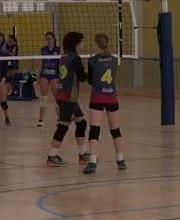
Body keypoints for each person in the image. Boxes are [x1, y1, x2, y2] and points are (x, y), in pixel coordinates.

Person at [83, 33, 125, 174]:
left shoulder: (92, 61)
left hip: (97, 97)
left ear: (96, 44)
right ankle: (120, 160)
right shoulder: (114, 60)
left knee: (95, 130)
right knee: (115, 130)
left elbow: (89, 81)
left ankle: (93, 162)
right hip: (111, 97)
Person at [47, 31, 89, 168]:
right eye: (82, 41)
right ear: (77, 43)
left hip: (65, 95)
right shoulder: (75, 58)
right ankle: (52, 156)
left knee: (81, 123)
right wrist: (87, 66)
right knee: (63, 126)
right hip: (67, 97)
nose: (84, 43)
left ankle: (83, 155)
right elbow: (83, 78)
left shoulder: (64, 56)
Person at [36, 32, 60, 127]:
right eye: (47, 39)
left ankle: (59, 118)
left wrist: (62, 76)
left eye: (50, 38)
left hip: (55, 75)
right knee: (43, 97)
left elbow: (61, 63)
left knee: (57, 96)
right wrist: (38, 75)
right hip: (45, 75)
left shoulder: (58, 50)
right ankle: (41, 119)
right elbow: (40, 63)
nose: (49, 40)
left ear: (54, 39)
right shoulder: (43, 50)